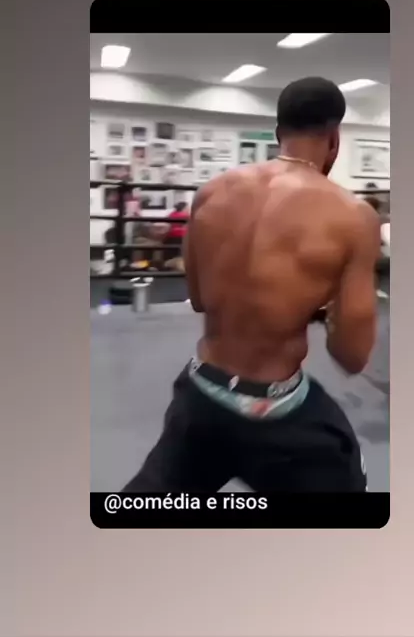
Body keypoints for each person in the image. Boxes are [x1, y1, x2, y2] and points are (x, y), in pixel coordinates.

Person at [123, 77, 380, 493]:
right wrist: (322, 305)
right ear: (335, 139)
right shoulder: (354, 216)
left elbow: (200, 299)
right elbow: (352, 355)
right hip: (278, 412)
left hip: (202, 395)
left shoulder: (211, 192)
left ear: (278, 134)